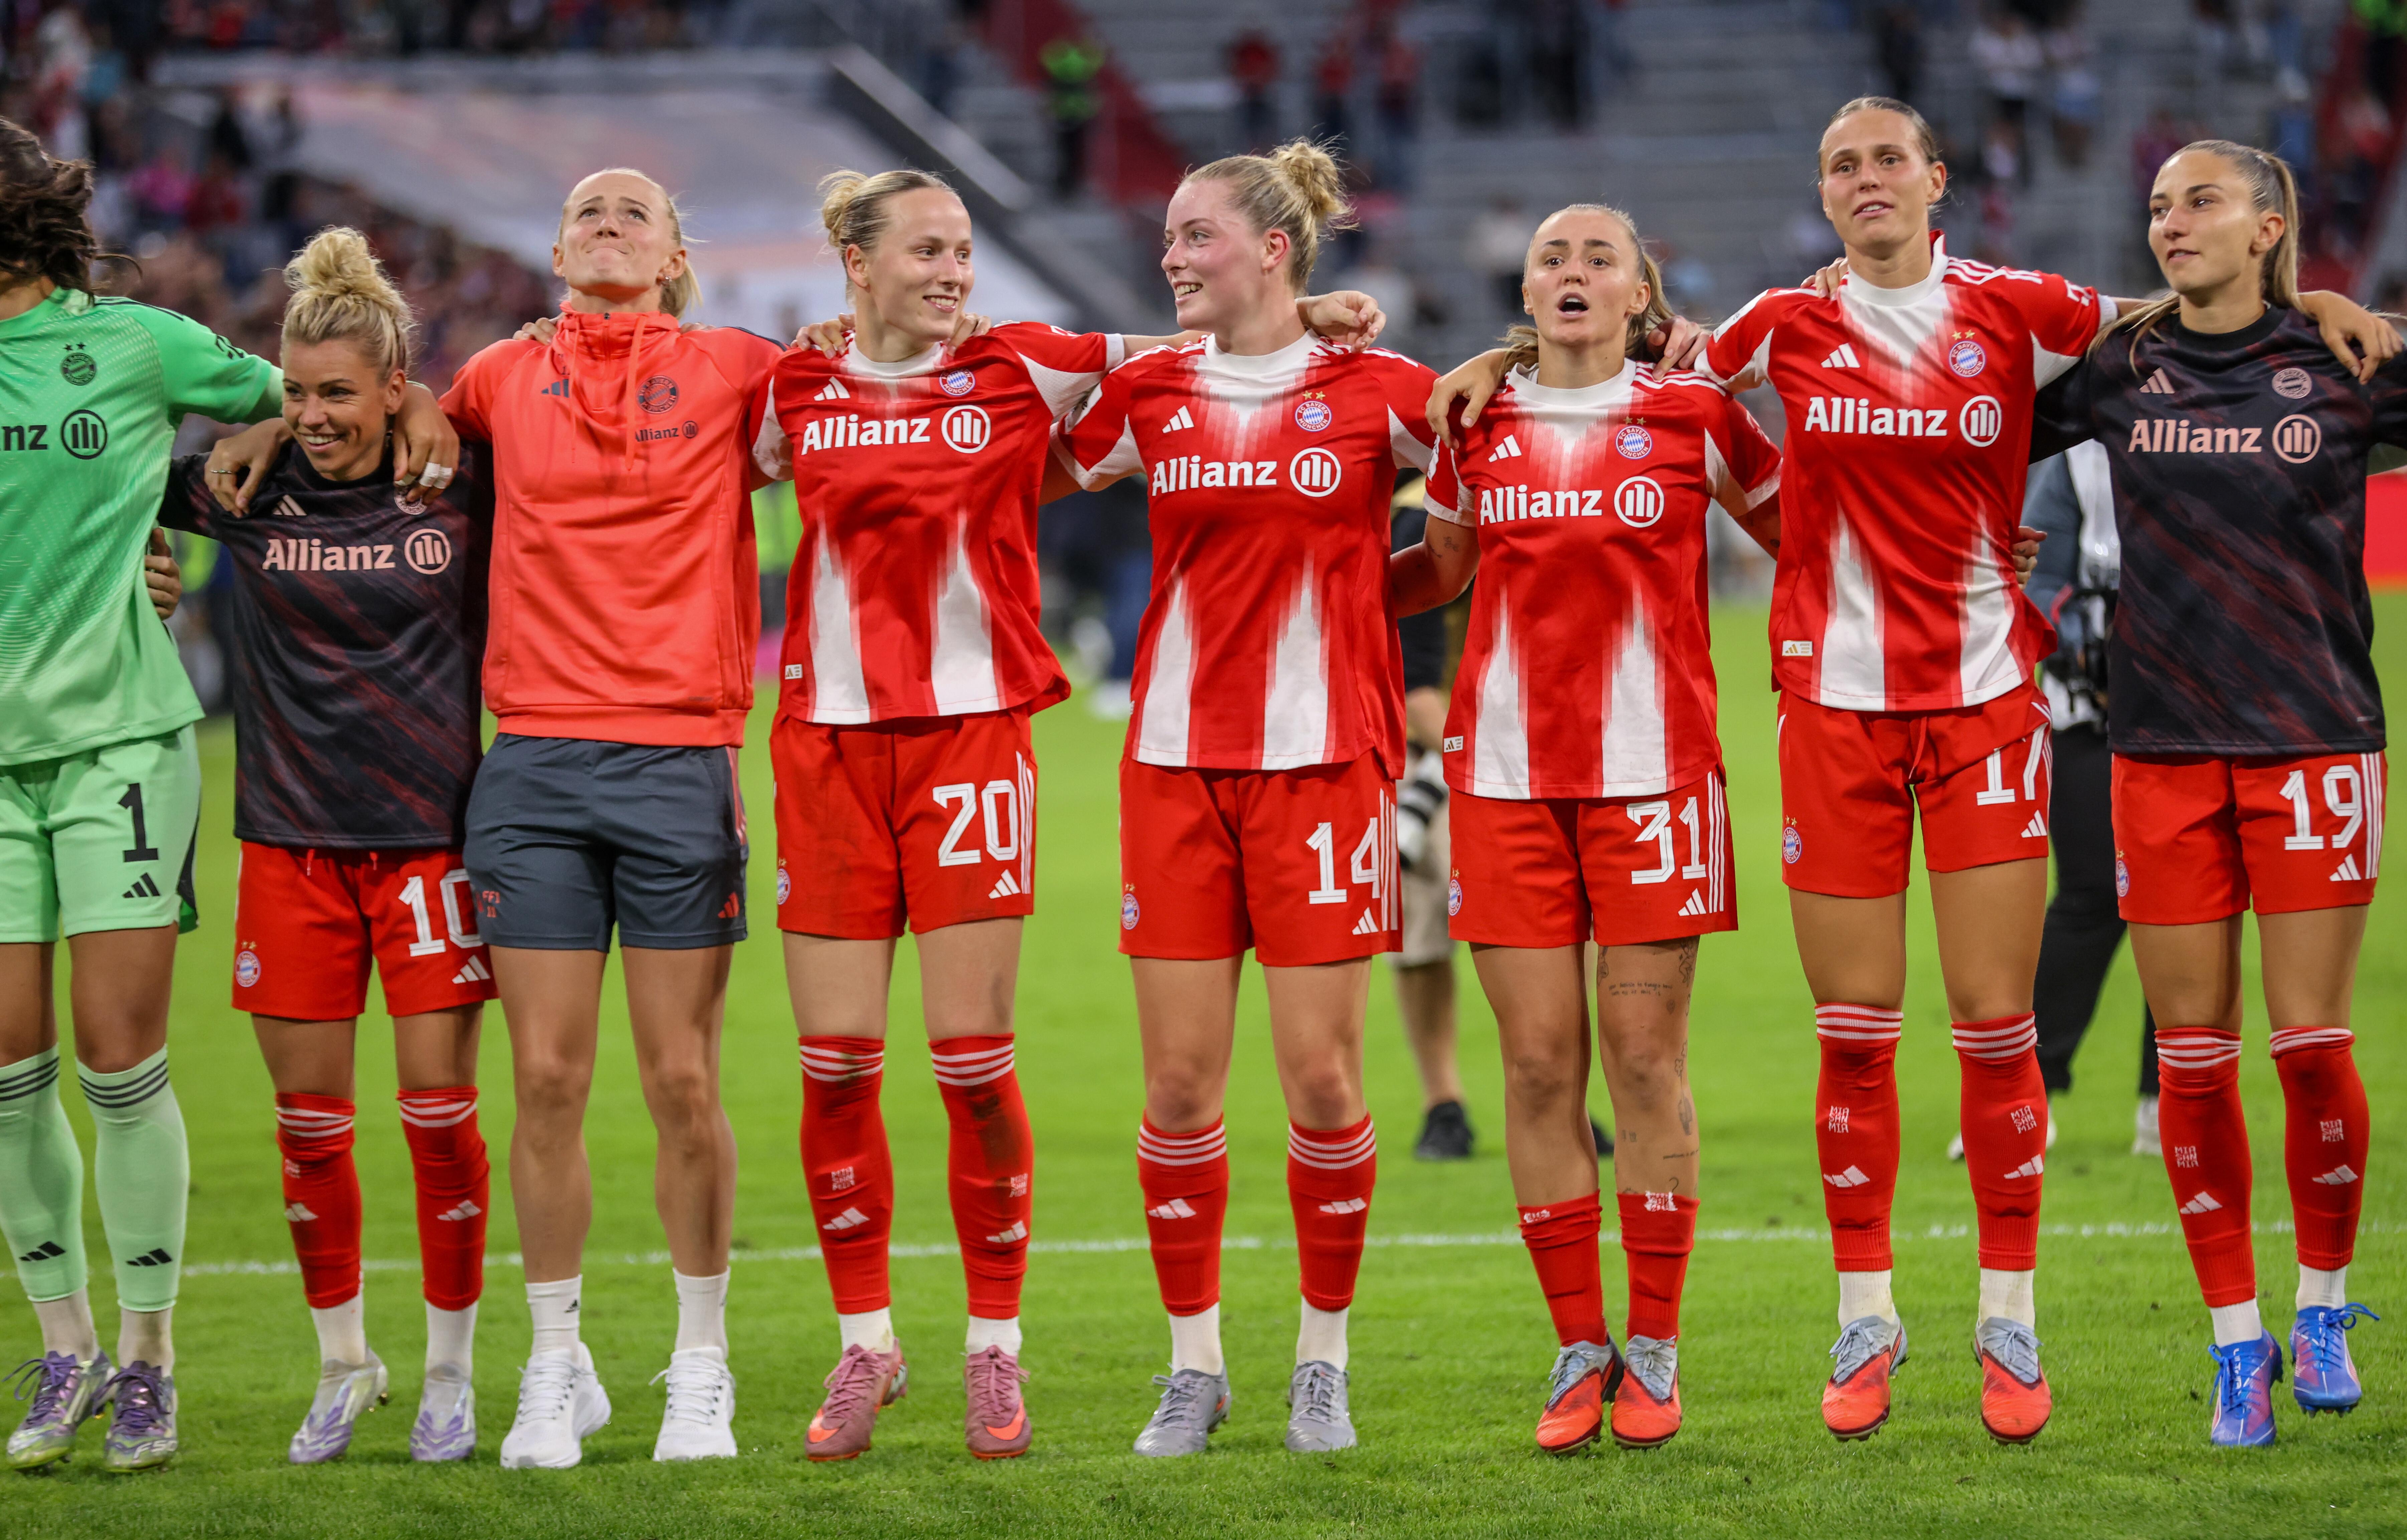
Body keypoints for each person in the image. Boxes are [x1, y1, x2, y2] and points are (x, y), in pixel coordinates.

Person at [1424, 94, 2391, 1448]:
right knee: (1854, 1037)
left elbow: (2171, 309)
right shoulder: (1772, 329)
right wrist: (1490, 352)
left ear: (1936, 180)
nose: (1864, 178)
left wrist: (2316, 306)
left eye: (1886, 158)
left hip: (1987, 705)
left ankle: (2008, 1316)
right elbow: (1619, 364)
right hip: (1832, 714)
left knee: (1996, 1029)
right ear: (1821, 195)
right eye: (1839, 164)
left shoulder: (2023, 307)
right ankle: (1865, 1314)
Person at [750, 167, 1387, 1462]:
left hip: (1010, 745)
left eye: (963, 248)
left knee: (995, 1065)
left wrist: (1315, 315)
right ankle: (880, 1338)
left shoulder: (1031, 366)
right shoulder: (784, 389)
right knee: (840, 1067)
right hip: (841, 750)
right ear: (853, 262)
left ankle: (1026, 1347)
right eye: (923, 249)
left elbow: (1185, 350)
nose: (952, 270)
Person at [0, 120, 450, 1476]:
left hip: (122, 741)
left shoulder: (133, 343)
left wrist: (418, 403)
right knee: (8, 1077)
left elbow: (308, 396)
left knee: (116, 1060)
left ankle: (150, 1360)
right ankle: (63, 1343)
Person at [1054, 139, 1440, 1458]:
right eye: (1167, 237)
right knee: (1175, 1084)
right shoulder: (1149, 387)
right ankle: (1194, 1363)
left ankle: (1320, 1362)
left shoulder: (1382, 390)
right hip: (1170, 763)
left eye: (1195, 237)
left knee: (1325, 1081)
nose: (1171, 257)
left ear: (1273, 249)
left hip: (1327, 764)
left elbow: (1465, 524)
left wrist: (1361, 612)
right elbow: (1002, 420)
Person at [1393, 202, 1782, 1453]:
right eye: (1550, 258)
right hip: (1501, 783)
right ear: (1526, 292)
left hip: (1654, 780)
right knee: (1537, 1067)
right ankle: (1576, 1346)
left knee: (1643, 1062)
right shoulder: (1475, 420)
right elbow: (1440, 568)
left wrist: (1952, 551)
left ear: (1636, 296)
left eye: (1594, 259)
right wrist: (1309, 565)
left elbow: (1803, 528)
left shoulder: (1693, 414)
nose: (1568, 272)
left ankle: (1654, 1348)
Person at [2028, 139, 2397, 1447]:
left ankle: (2320, 1301)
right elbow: (1976, 434)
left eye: (2197, 199)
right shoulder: (2122, 367)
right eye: (2153, 206)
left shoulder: (2346, 364)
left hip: (2313, 740)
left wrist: (2363, 317)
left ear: (2268, 221)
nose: (2166, 221)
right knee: (2190, 1065)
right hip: (2158, 750)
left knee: (2307, 1050)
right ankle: (2234, 1340)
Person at [163, 228, 495, 1465]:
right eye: (296, 392)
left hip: (428, 848)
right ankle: (344, 1363)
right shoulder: (241, 491)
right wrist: (236, 429)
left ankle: (452, 1374)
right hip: (288, 849)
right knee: (308, 1125)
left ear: (396, 391)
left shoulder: (462, 482)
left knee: (437, 1117)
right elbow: (90, 472)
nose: (312, 416)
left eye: (337, 393)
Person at [1986, 444, 2161, 1161]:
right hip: (2088, 707)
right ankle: (2034, 1089)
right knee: (2090, 894)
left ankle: (2167, 1101)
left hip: (2195, 706)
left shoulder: (2208, 416)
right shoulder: (2078, 453)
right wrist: (2094, 643)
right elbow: (2037, 577)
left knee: (2191, 902)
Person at [1387, 474, 1471, 1160]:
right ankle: (1442, 1099)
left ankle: (1550, 1086)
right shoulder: (1418, 515)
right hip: (1431, 750)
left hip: (1519, 739)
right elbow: (1414, 685)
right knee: (1421, 929)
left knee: (1545, 932)